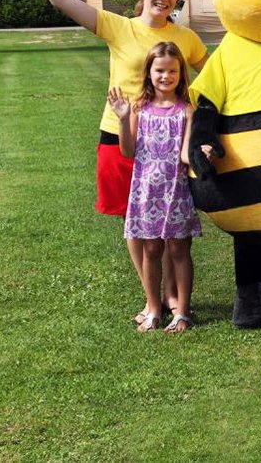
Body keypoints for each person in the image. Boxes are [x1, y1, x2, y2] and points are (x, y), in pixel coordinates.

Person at [4, 0, 208, 324]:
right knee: (132, 220)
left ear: (177, 0)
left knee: (170, 221)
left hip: (168, 143)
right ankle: (155, 296)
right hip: (120, 136)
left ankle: (171, 294)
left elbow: (217, 77)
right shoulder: (119, 27)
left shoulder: (187, 39)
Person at [107, 43, 201, 332]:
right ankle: (153, 308)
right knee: (150, 250)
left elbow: (185, 154)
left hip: (176, 191)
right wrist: (123, 120)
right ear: (148, 73)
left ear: (180, 74)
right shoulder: (139, 108)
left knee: (179, 251)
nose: (166, 76)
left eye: (172, 71)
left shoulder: (187, 110)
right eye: (159, 70)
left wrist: (201, 153)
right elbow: (128, 150)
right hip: (146, 192)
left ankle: (182, 312)